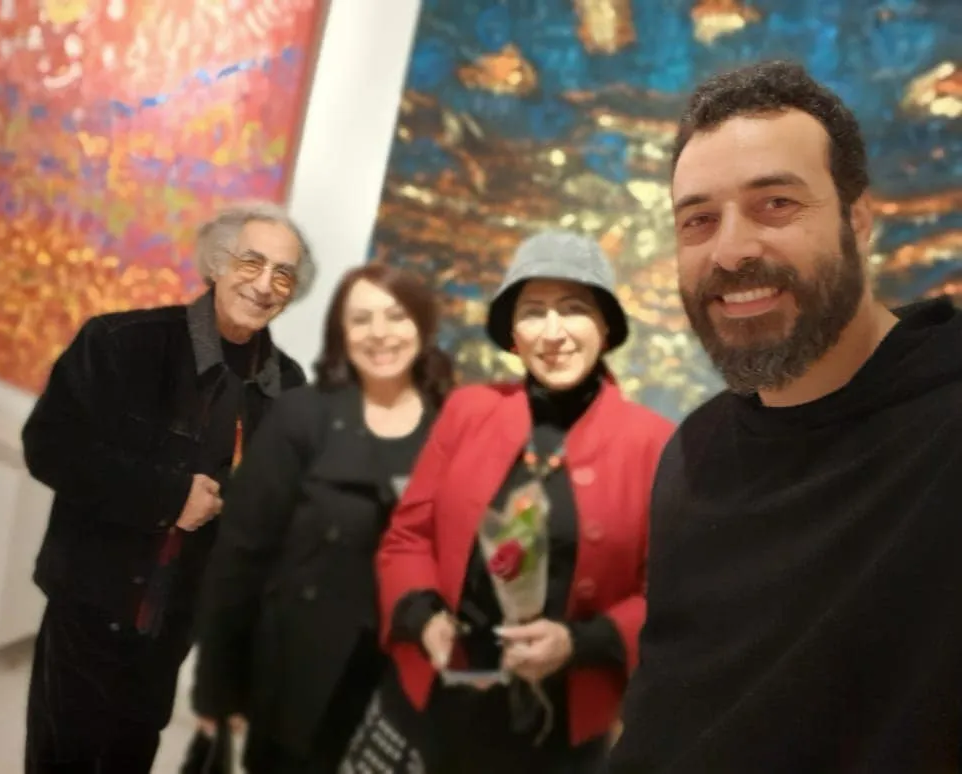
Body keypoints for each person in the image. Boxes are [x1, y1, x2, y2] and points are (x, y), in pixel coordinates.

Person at [609, 60, 962, 772]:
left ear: (858, 221)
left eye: (775, 203)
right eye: (698, 220)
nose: (731, 250)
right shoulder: (693, 453)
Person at [21, 201, 313, 774]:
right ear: (216, 263)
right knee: (62, 756)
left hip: (176, 620)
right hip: (89, 603)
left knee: (132, 755)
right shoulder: (121, 343)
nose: (264, 285)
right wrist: (169, 496)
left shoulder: (289, 386)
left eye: (283, 274)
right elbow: (49, 446)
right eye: (251, 262)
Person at [376, 231, 674, 774]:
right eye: (533, 312)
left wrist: (578, 643)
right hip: (437, 705)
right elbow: (408, 537)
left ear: (606, 327)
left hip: (558, 728)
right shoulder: (469, 410)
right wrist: (422, 617)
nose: (553, 333)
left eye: (574, 309)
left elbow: (667, 592)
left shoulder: (654, 443)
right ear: (513, 334)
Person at [193, 263, 455, 774]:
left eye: (395, 315)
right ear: (341, 333)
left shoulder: (453, 427)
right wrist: (217, 689)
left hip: (398, 679)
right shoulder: (302, 415)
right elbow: (239, 558)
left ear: (422, 325)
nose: (379, 332)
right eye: (361, 319)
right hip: (296, 672)